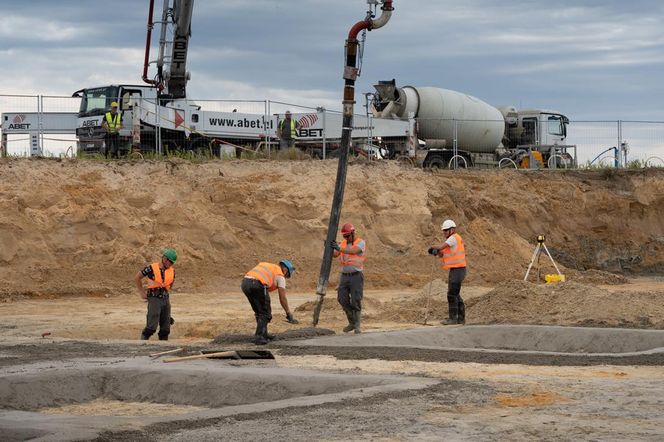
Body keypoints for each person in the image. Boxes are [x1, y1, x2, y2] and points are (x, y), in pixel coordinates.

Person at [241, 260, 299, 345]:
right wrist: (288, 313)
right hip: (257, 284)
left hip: (245, 283)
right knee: (265, 312)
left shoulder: (269, 266)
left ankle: (264, 334)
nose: (285, 277)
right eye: (287, 275)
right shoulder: (280, 275)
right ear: (285, 270)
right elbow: (282, 297)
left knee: (259, 311)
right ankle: (259, 337)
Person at [329, 223, 366, 334]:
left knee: (356, 299)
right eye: (344, 236)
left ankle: (357, 325)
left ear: (353, 233)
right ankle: (352, 322)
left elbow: (353, 251)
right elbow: (335, 254)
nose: (346, 238)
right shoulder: (343, 243)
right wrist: (330, 247)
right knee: (342, 298)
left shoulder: (361, 243)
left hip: (356, 276)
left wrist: (339, 248)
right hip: (345, 276)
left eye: (347, 236)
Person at [428, 219, 467, 325]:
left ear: (452, 230)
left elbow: (441, 247)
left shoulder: (454, 238)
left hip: (459, 269)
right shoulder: (450, 242)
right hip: (455, 269)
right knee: (455, 293)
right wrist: (436, 253)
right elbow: (442, 253)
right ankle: (460, 318)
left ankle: (453, 319)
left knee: (451, 294)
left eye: (446, 230)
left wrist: (432, 247)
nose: (444, 232)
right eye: (443, 230)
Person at [135, 248, 177, 340]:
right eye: (170, 262)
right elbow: (138, 277)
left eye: (172, 263)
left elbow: (169, 286)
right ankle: (143, 342)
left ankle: (163, 345)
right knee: (151, 326)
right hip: (154, 298)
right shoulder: (151, 268)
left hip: (165, 299)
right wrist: (142, 292)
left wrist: (165, 311)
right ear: (165, 259)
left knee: (165, 329)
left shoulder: (172, 271)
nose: (171, 264)